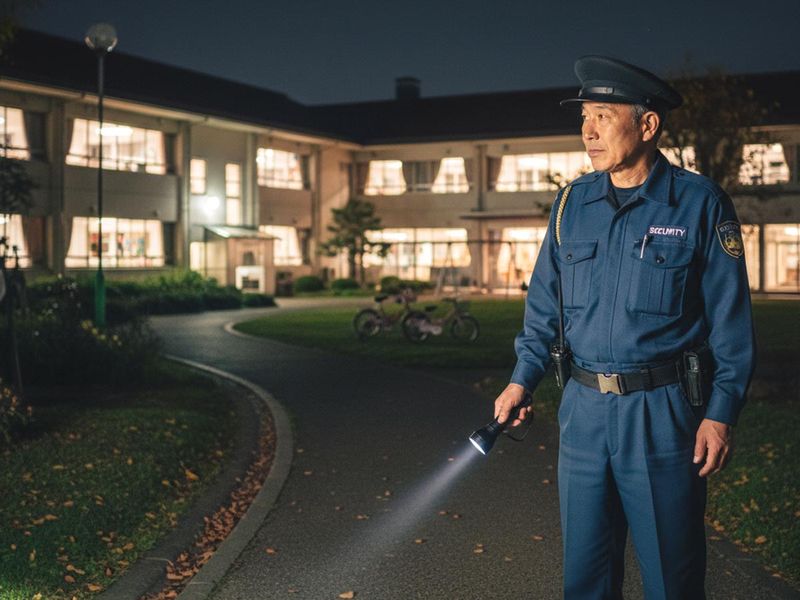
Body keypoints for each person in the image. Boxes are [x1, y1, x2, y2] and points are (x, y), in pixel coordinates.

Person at [493, 56, 756, 600]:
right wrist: (523, 378)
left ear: (647, 125)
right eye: (584, 116)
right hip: (584, 415)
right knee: (584, 578)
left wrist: (721, 414)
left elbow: (732, 326)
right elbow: (545, 308)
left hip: (661, 418)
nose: (587, 131)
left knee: (672, 578)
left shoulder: (699, 204)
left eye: (603, 115)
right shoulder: (572, 205)